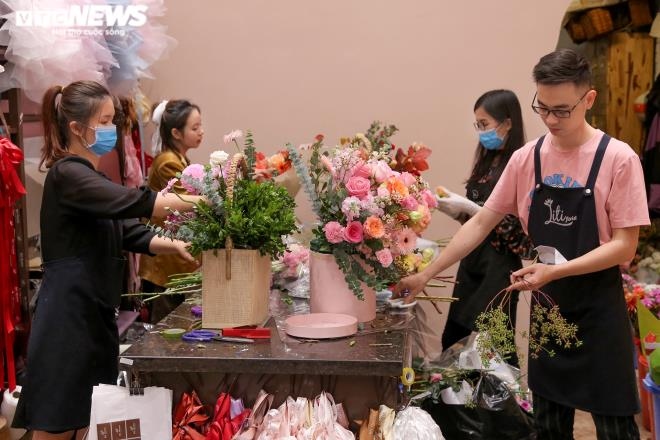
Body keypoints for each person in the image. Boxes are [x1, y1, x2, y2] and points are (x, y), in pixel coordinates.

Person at [395, 48, 649, 439]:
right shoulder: (527, 158)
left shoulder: (618, 159)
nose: (550, 120)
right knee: (548, 427)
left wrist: (557, 270)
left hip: (600, 311)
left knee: (616, 427)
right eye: (542, 108)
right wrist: (427, 274)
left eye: (562, 110)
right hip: (549, 310)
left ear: (589, 99)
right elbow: (481, 222)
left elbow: (625, 247)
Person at [14, 80, 201, 440]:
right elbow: (142, 204)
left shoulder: (89, 177)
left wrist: (172, 245)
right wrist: (204, 202)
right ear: (76, 128)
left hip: (92, 316)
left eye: (112, 120)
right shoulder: (67, 175)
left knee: (88, 420)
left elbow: (127, 231)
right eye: (104, 121)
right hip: (67, 321)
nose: (112, 129)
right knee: (56, 425)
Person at [436, 90, 532, 354]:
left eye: (484, 124)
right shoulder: (487, 161)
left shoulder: (522, 165)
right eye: (477, 124)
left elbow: (519, 237)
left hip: (498, 270)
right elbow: (475, 222)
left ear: (508, 122)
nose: (480, 131)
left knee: (494, 353)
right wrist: (455, 210)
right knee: (452, 342)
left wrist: (476, 211)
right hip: (471, 264)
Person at [138, 99, 203, 322]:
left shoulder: (179, 159)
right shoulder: (168, 162)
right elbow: (190, 203)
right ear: (176, 132)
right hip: (165, 263)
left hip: (175, 261)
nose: (201, 132)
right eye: (194, 128)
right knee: (166, 333)